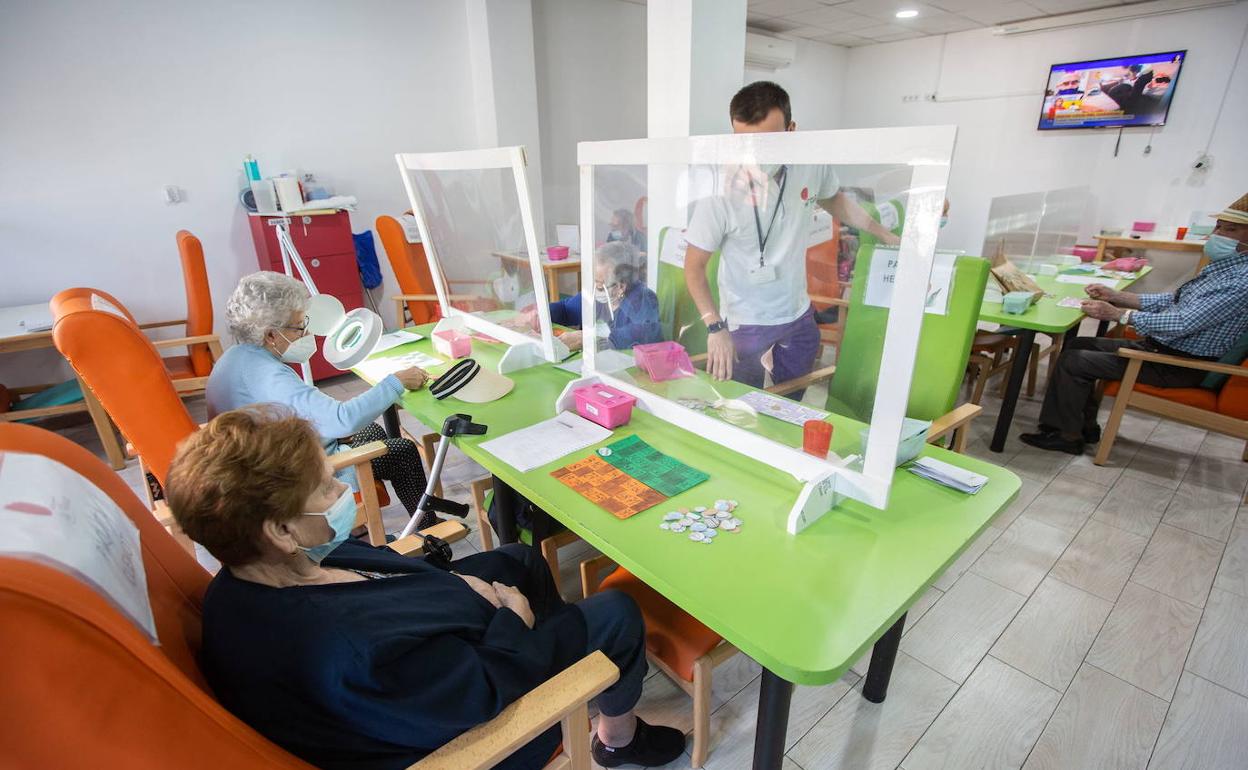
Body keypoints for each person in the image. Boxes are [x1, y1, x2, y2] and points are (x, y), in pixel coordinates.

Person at [166, 406, 685, 770]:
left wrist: (455, 581)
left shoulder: (260, 569)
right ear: (280, 531)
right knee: (617, 612)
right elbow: (472, 698)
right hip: (477, 715)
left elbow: (380, 577)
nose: (343, 490)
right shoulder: (342, 654)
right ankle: (616, 739)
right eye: (325, 489)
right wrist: (513, 619)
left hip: (441, 655)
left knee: (520, 558)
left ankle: (567, 658)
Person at [684, 81, 901, 394]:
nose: (755, 154)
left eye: (767, 143)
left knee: (789, 403)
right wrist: (714, 326)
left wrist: (885, 234)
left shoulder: (809, 164)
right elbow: (694, 267)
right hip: (745, 321)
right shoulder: (720, 189)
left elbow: (834, 199)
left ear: (791, 130)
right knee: (740, 407)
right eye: (745, 143)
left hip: (797, 313)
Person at [206, 271, 437, 531]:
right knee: (402, 452)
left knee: (371, 430)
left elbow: (290, 416)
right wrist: (396, 382)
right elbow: (343, 419)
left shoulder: (236, 358)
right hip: (287, 480)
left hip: (263, 458)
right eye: (298, 326)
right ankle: (429, 531)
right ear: (271, 335)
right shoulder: (268, 375)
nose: (306, 332)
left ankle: (371, 528)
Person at [1020, 193, 1248, 454]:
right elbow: (1174, 299)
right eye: (1218, 226)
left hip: (1177, 364)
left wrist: (1120, 315)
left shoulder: (1240, 281)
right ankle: (1083, 426)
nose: (1217, 235)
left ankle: (1066, 436)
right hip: (1160, 350)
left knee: (1075, 361)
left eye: (1230, 229)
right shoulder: (1225, 268)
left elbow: (1184, 321)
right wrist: (1117, 296)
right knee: (1078, 344)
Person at [546, 241, 661, 352]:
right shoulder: (596, 296)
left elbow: (641, 333)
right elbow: (566, 309)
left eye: (600, 286)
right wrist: (542, 314)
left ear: (621, 286)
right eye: (593, 282)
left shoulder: (644, 299)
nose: (594, 289)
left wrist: (587, 339)